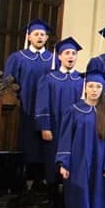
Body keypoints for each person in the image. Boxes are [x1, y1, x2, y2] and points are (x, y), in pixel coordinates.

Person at [4, 18, 55, 186]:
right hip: (24, 109)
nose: (39, 37)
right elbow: (7, 85)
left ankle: (41, 183)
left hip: (47, 111)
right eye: (36, 34)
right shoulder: (17, 58)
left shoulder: (53, 59)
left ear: (47, 38)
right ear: (29, 36)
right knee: (25, 143)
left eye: (42, 34)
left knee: (44, 147)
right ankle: (21, 182)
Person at [56, 70, 105, 208]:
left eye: (98, 87)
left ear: (102, 89)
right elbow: (65, 138)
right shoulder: (73, 111)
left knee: (97, 194)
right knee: (78, 193)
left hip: (99, 161)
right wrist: (64, 163)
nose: (94, 90)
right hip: (77, 160)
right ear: (85, 88)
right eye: (91, 86)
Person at [35, 36, 84, 191]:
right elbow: (42, 104)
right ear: (60, 57)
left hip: (75, 129)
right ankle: (52, 195)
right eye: (67, 53)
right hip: (55, 128)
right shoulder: (49, 79)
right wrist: (44, 127)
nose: (71, 56)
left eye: (74, 53)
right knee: (52, 161)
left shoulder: (81, 80)